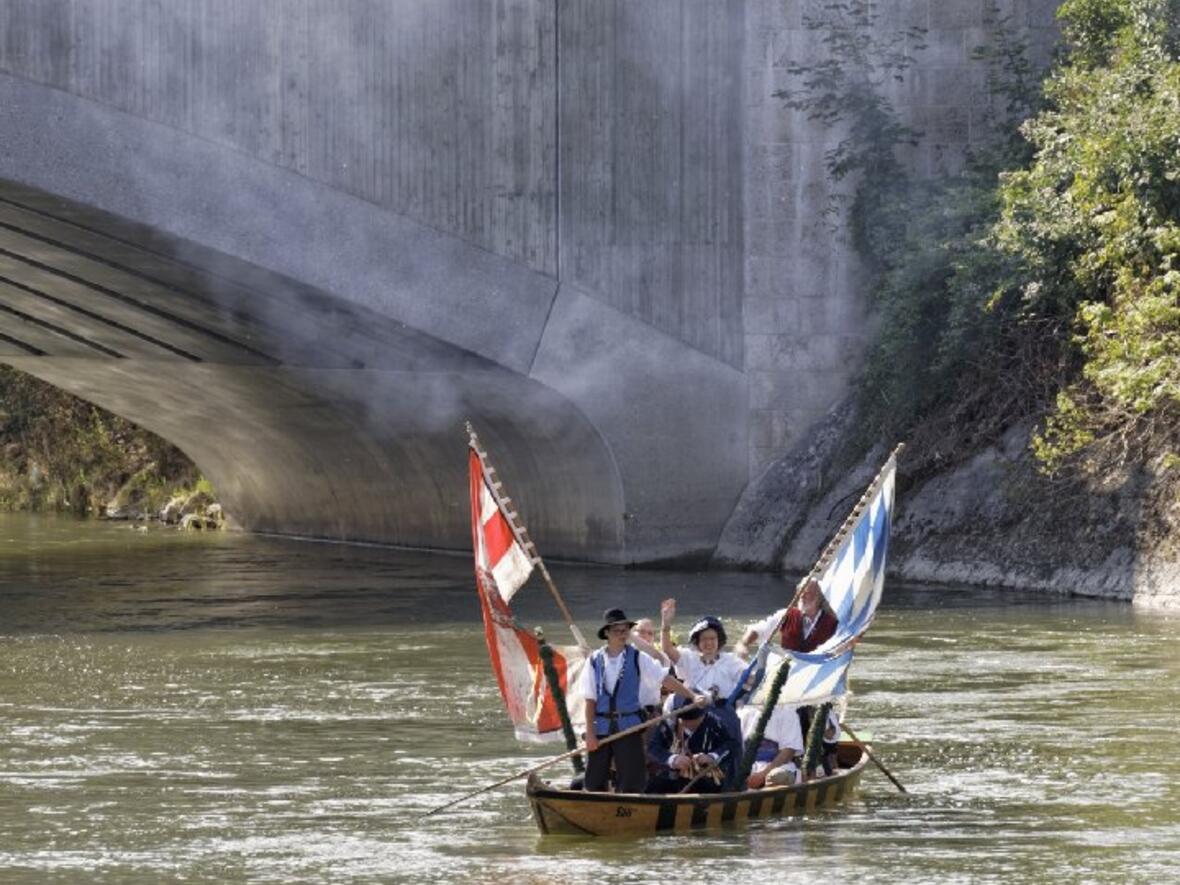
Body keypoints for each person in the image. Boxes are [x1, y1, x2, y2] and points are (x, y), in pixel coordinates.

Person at [578, 607, 705, 794]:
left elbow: (665, 678)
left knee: (632, 778)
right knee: (595, 777)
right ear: (607, 633)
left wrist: (692, 696)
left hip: (629, 725)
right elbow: (589, 700)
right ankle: (597, 805)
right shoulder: (593, 661)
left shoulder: (638, 657)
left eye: (625, 631)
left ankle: (629, 809)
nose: (622, 635)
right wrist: (590, 733)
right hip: (601, 727)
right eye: (617, 631)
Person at [659, 599, 746, 788]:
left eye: (713, 638)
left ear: (719, 640)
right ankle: (679, 781)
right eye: (704, 639)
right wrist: (665, 625)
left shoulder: (731, 661)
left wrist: (753, 677)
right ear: (697, 642)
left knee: (732, 744)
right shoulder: (689, 658)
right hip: (692, 712)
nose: (709, 643)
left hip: (723, 712)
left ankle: (732, 785)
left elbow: (749, 678)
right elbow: (667, 650)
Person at [646, 696, 731, 794]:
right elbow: (653, 748)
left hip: (702, 778)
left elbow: (728, 745)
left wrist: (711, 756)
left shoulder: (713, 722)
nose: (693, 727)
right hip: (671, 777)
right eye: (688, 723)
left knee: (711, 787)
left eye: (697, 722)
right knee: (655, 785)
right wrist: (673, 759)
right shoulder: (669, 723)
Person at [736, 578, 838, 658]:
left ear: (818, 597)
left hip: (816, 675)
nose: (802, 596)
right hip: (786, 672)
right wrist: (743, 644)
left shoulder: (832, 623)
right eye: (800, 591)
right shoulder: (787, 614)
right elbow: (759, 629)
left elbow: (840, 648)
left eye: (807, 593)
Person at [739, 702, 803, 789]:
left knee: (777, 776)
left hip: (777, 768)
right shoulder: (743, 711)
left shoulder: (788, 712)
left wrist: (763, 775)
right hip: (746, 769)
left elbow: (788, 751)